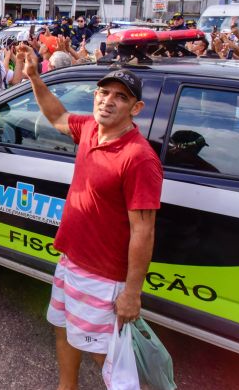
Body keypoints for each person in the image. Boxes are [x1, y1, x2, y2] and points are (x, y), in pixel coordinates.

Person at [17, 45, 163, 390]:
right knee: (65, 330)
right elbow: (57, 117)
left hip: (102, 276)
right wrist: (35, 78)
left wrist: (132, 292)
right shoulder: (91, 131)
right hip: (71, 261)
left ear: (135, 108)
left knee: (109, 360)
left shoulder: (138, 158)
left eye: (120, 97)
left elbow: (144, 231)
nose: (108, 100)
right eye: (103, 92)